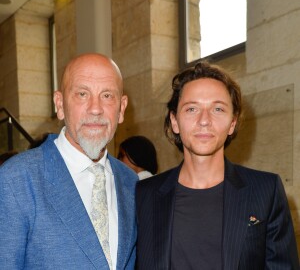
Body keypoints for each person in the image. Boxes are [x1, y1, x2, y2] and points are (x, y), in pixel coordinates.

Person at [135, 61, 299, 269]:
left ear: (232, 123)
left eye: (218, 109)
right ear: (174, 121)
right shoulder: (144, 194)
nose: (204, 120)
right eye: (192, 108)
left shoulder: (266, 190)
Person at [0, 53, 138, 270]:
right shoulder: (15, 180)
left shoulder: (131, 182)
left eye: (107, 96)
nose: (95, 108)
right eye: (82, 94)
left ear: (121, 108)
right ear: (60, 104)